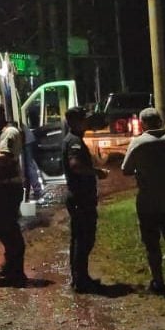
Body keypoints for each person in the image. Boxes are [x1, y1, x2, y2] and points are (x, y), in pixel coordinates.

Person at [121, 108, 165, 295]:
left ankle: (158, 281)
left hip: (148, 202)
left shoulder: (138, 143)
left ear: (143, 123)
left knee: (152, 243)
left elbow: (126, 169)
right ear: (160, 121)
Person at [63, 107, 110, 293]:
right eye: (84, 119)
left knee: (79, 238)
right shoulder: (74, 141)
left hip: (79, 196)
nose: (87, 122)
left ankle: (79, 278)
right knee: (84, 238)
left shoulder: (73, 139)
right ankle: (80, 280)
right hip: (80, 197)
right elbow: (75, 166)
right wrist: (96, 172)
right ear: (74, 122)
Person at [0, 105, 26, 286]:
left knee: (8, 228)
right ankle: (10, 266)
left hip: (9, 189)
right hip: (2, 188)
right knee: (3, 228)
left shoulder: (10, 133)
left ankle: (16, 270)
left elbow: (4, 157)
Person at [23, 127, 44, 201]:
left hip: (25, 140)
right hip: (28, 139)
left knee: (29, 165)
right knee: (30, 164)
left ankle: (37, 190)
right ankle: (36, 189)